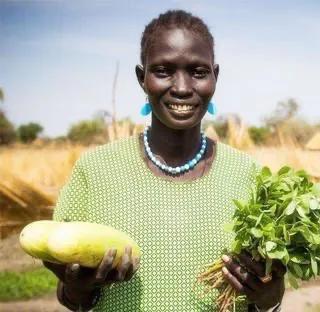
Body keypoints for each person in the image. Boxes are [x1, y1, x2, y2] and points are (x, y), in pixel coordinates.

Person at [42, 9, 285, 312]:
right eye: (163, 71)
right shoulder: (95, 171)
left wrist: (269, 298)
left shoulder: (246, 174)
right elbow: (70, 296)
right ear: (141, 78)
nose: (182, 88)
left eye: (198, 72)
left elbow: (267, 293)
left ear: (215, 76)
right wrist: (78, 289)